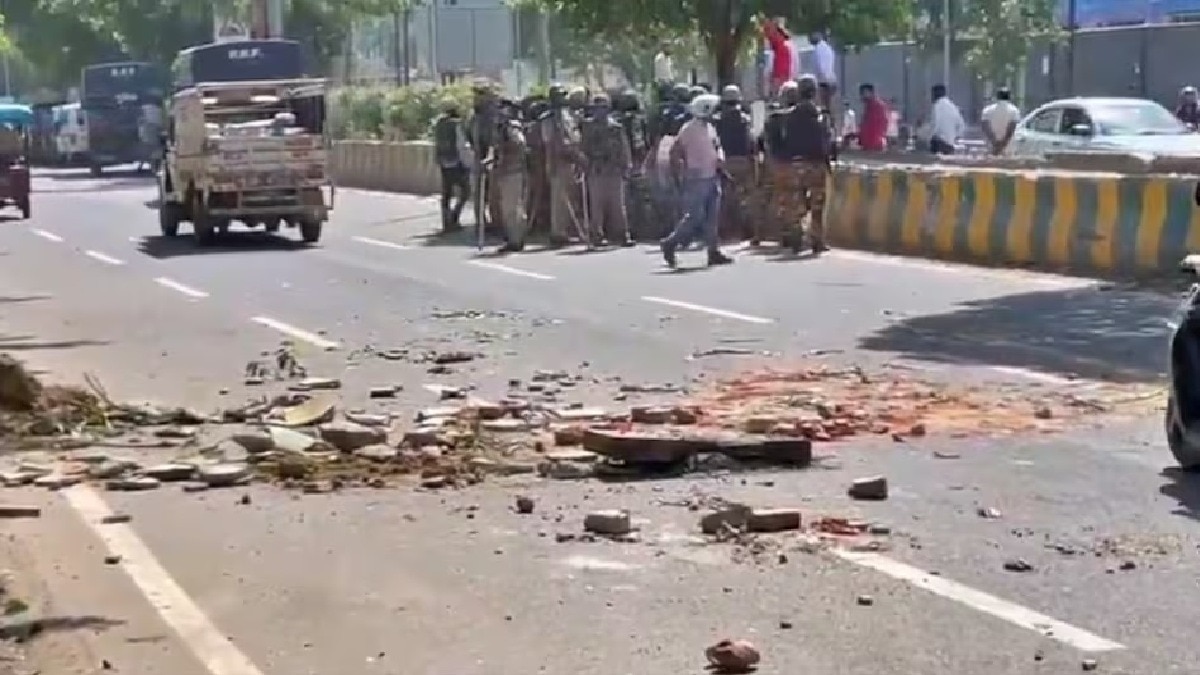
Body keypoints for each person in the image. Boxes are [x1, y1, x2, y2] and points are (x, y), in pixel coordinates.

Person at [660, 93, 733, 268]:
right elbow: (675, 151)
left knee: (712, 216)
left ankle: (713, 251)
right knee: (695, 216)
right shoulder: (688, 129)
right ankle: (671, 242)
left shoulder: (709, 127)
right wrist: (677, 172)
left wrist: (721, 162)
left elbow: (717, 146)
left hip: (712, 175)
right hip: (697, 177)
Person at [782, 75, 834, 255]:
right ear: (814, 92)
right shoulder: (820, 115)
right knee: (817, 205)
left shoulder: (789, 117)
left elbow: (785, 140)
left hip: (796, 164)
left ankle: (796, 236)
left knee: (797, 202)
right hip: (816, 164)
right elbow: (827, 142)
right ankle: (817, 241)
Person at [580, 93, 633, 247]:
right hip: (596, 170)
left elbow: (624, 147)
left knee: (617, 205)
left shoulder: (616, 127)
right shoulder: (588, 127)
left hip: (614, 169)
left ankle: (623, 235)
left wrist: (626, 166)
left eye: (603, 107)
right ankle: (596, 236)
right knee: (596, 206)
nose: (600, 111)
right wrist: (585, 164)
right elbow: (583, 148)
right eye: (597, 108)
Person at [540, 83, 585, 247]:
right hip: (557, 160)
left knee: (571, 196)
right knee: (559, 199)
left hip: (571, 160)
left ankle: (568, 230)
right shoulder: (548, 118)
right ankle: (558, 233)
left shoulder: (568, 115)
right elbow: (549, 142)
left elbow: (574, 135)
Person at [712, 84, 756, 241]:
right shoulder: (745, 119)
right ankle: (746, 230)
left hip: (724, 162)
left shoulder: (716, 120)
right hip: (743, 161)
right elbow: (751, 141)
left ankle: (724, 230)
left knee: (723, 197)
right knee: (745, 197)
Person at [486, 103, 529, 254]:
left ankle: (515, 240)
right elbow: (495, 150)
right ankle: (515, 236)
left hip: (512, 172)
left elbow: (520, 144)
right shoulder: (499, 128)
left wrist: (507, 153)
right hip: (504, 172)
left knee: (511, 208)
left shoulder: (511, 128)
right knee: (509, 207)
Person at [431, 98, 471, 233]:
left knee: (446, 193)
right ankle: (454, 217)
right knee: (465, 191)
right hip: (456, 161)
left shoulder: (439, 124)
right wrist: (467, 161)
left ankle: (446, 222)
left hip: (443, 161)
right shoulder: (456, 125)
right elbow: (461, 144)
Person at [757, 95, 790, 247]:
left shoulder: (772, 120)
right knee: (788, 199)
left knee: (766, 198)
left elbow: (760, 142)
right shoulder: (793, 118)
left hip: (773, 162)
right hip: (791, 163)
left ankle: (759, 234)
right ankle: (785, 234)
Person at [809, 31, 838, 131]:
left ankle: (825, 128)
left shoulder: (819, 49)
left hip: (823, 82)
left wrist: (820, 80)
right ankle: (832, 127)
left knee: (823, 107)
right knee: (830, 107)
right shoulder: (828, 48)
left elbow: (821, 67)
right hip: (831, 79)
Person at [759, 16, 794, 96]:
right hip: (784, 73)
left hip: (780, 73)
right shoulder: (787, 44)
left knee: (778, 90)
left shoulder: (780, 43)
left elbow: (770, 35)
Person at [980, 87, 1021, 155]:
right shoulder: (1014, 111)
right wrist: (1003, 143)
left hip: (991, 146)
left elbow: (985, 127)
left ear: (997, 97)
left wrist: (994, 142)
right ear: (1009, 97)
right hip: (1008, 147)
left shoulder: (987, 110)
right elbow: (1012, 128)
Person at [928, 84, 964, 156]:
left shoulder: (937, 106)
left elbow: (935, 124)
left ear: (935, 94)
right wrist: (954, 137)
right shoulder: (953, 106)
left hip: (938, 143)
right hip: (950, 144)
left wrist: (929, 138)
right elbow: (961, 126)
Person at [857, 84, 888, 152]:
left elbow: (879, 125)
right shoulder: (868, 106)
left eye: (864, 93)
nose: (862, 96)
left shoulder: (877, 106)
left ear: (870, 92)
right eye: (861, 93)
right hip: (868, 143)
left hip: (875, 143)